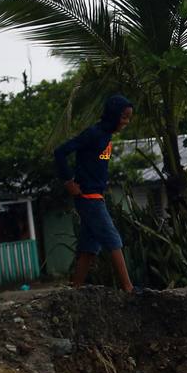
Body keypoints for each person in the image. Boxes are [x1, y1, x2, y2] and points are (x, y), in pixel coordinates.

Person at [54, 94, 135, 292]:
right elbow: (60, 152)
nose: (126, 122)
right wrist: (68, 181)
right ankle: (128, 288)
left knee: (89, 246)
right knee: (113, 239)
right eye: (124, 117)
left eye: (128, 118)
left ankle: (76, 288)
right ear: (113, 115)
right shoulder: (94, 133)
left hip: (96, 195)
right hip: (88, 197)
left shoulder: (106, 136)